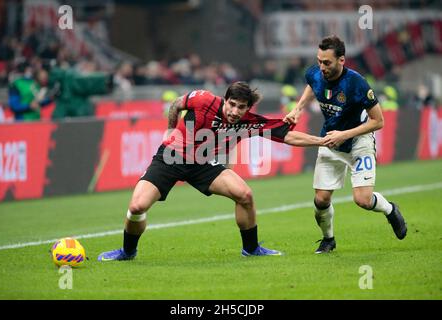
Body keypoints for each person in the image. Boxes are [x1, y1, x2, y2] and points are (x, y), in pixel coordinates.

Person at [98, 81, 329, 261]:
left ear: (248, 108)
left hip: (203, 163)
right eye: (232, 104)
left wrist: (321, 141)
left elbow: (287, 135)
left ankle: (251, 249)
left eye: (241, 107)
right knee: (137, 207)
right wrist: (170, 128)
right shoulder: (204, 100)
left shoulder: (249, 121)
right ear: (225, 100)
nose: (235, 111)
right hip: (170, 158)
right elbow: (177, 103)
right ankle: (128, 252)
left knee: (245, 195)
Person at [283, 36, 407, 254]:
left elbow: (378, 121)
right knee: (321, 200)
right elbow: (312, 85)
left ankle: (390, 209)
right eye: (319, 61)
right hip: (331, 140)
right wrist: (298, 108)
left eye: (327, 63)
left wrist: (345, 134)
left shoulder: (356, 83)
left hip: (359, 142)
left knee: (363, 200)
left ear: (342, 60)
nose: (321, 67)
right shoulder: (314, 72)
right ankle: (328, 239)